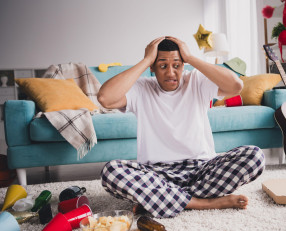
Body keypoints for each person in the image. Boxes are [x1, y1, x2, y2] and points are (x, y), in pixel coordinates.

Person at [97, 36, 265, 218]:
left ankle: (161, 200)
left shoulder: (196, 80)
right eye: (162, 66)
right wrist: (146, 60)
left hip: (200, 169)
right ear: (152, 68)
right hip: (156, 173)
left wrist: (191, 58)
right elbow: (105, 98)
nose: (170, 73)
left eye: (176, 65)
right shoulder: (141, 88)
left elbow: (236, 85)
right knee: (110, 172)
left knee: (255, 156)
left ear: (183, 65)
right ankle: (201, 203)